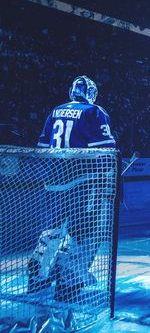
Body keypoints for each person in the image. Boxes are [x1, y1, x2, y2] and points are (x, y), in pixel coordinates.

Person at [28, 76, 116, 302]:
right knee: (84, 231)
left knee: (52, 230)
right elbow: (106, 151)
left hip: (54, 182)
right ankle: (70, 281)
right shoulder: (94, 112)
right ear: (90, 93)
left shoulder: (55, 111)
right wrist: (107, 180)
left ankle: (38, 275)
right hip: (82, 182)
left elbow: (41, 148)